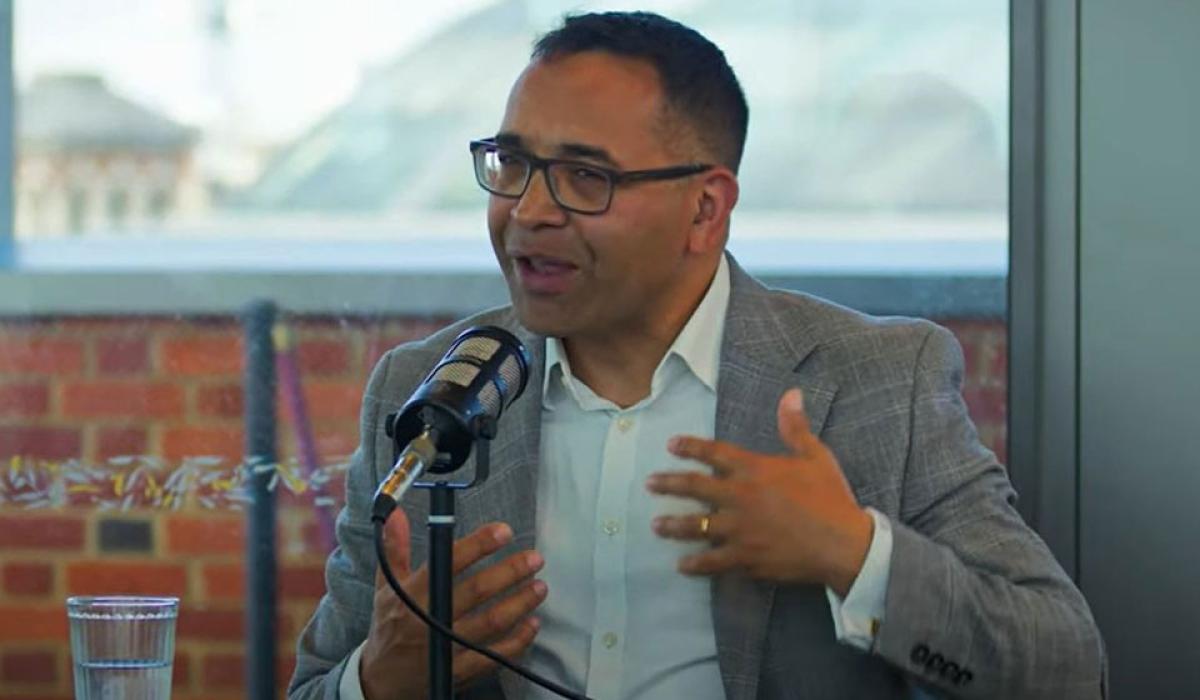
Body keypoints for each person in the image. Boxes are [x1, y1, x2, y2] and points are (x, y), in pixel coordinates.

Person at [289, 11, 1105, 700]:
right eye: (511, 164)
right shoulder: (431, 391)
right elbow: (316, 683)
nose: (528, 211)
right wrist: (376, 678)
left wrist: (853, 554)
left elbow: (1068, 669)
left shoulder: (876, 381)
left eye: (584, 176)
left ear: (705, 209)